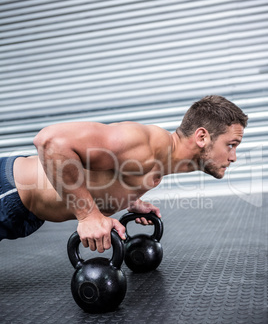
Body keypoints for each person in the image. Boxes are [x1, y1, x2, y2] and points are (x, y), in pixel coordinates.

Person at [0, 95, 248, 252]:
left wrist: (130, 200)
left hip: (26, 213)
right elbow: (49, 142)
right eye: (231, 144)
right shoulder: (144, 144)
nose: (234, 156)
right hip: (8, 191)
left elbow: (107, 174)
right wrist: (88, 215)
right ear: (202, 136)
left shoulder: (162, 160)